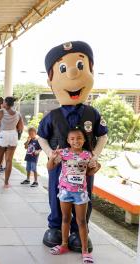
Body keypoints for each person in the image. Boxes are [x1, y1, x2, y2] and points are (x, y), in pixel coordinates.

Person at [38, 41, 108, 252]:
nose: (71, 73)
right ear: (50, 79)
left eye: (80, 66)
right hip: (60, 166)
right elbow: (41, 136)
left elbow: (103, 135)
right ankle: (56, 228)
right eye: (62, 68)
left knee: (84, 196)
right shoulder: (53, 116)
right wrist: (51, 154)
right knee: (56, 194)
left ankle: (80, 231)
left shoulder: (92, 113)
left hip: (83, 167)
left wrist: (94, 156)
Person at [47, 128, 100, 263]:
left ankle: (85, 251)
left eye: (79, 138)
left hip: (80, 193)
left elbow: (88, 173)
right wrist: (52, 158)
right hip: (65, 191)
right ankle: (64, 245)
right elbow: (50, 167)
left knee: (81, 221)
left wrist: (97, 167)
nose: (76, 141)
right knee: (65, 218)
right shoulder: (63, 153)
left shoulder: (87, 155)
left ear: (83, 140)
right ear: (68, 141)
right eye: (72, 139)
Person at [0, 97, 24, 187]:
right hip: (13, 136)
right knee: (9, 161)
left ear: (6, 103)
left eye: (3, 102)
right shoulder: (18, 114)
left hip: (2, 136)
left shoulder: (0, 112)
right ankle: (6, 183)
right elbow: (21, 128)